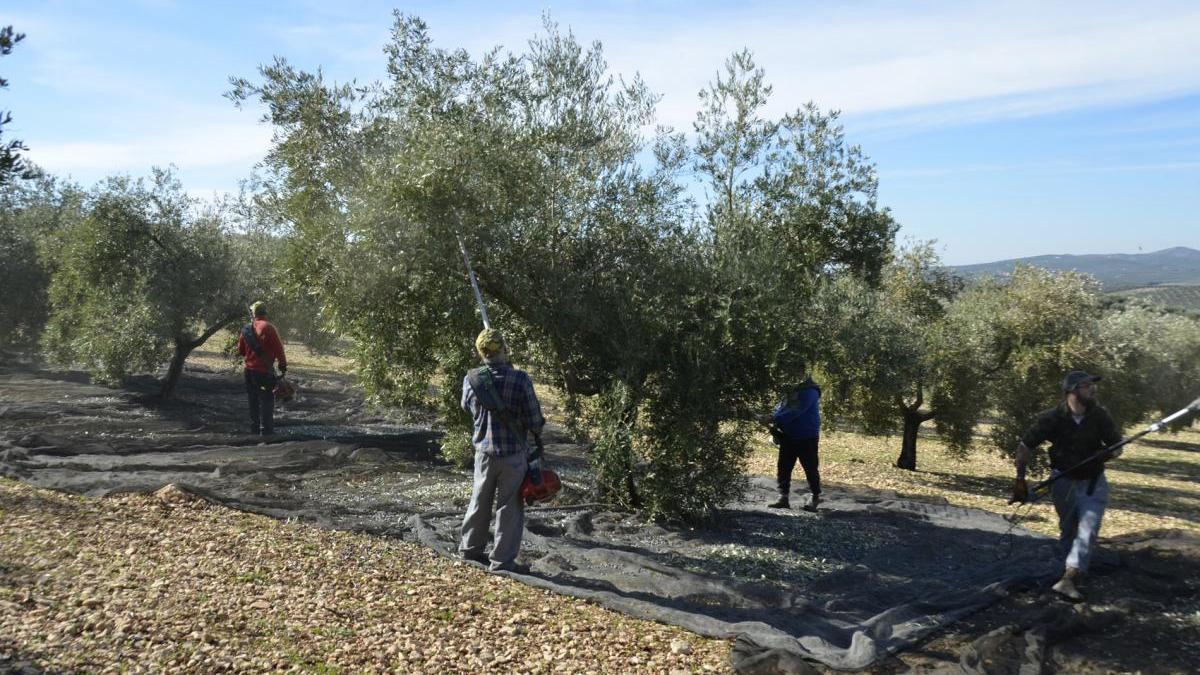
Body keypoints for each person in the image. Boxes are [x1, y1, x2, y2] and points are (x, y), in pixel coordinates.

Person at [1011, 370, 1123, 602]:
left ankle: (1070, 577)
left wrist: (1106, 455)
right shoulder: (1052, 418)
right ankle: (1065, 573)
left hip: (1093, 482)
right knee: (1069, 529)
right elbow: (1024, 447)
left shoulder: (1100, 416)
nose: (1093, 389)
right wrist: (1020, 481)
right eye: (1086, 385)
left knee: (1088, 528)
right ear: (1071, 390)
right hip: (1063, 481)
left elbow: (1118, 447)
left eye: (1093, 385)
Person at [459, 328, 545, 573]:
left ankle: (470, 551)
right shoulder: (520, 379)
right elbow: (535, 420)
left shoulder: (471, 379)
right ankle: (501, 561)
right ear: (504, 349)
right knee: (509, 508)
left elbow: (467, 407)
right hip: (513, 455)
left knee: (479, 502)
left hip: (484, 454)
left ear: (480, 353)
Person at [768, 373, 822, 512]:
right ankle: (783, 497)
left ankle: (814, 497)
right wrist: (774, 421)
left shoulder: (810, 391)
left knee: (810, 468)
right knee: (783, 468)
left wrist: (773, 418)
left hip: (807, 436)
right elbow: (780, 408)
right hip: (789, 435)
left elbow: (796, 411)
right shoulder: (789, 390)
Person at [236, 301, 287, 436]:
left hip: (249, 372)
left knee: (253, 401)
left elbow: (240, 350)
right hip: (264, 373)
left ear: (253, 313)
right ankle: (267, 432)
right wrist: (283, 365)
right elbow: (279, 350)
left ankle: (254, 431)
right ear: (265, 312)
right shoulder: (269, 328)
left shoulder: (246, 329)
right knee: (266, 400)